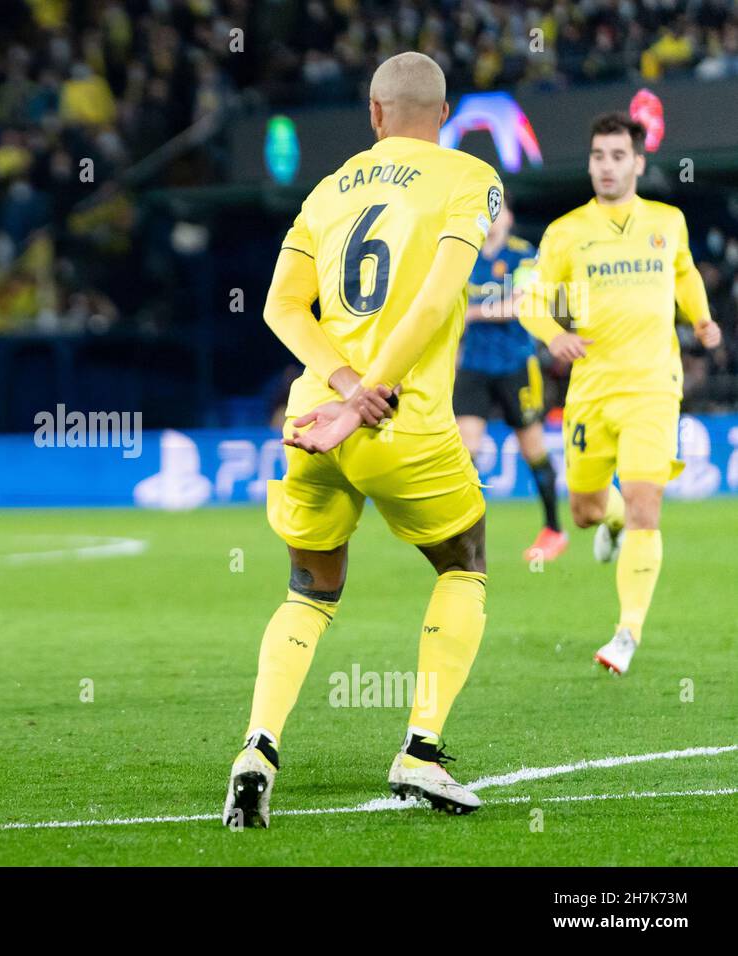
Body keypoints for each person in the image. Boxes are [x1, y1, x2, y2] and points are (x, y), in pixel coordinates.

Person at [224, 51, 500, 828]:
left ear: (374, 115)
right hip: (396, 416)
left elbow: (281, 308)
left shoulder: (326, 190)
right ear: (442, 116)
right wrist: (369, 393)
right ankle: (420, 747)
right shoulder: (468, 179)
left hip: (310, 421)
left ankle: (258, 748)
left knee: (308, 592)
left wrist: (341, 389)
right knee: (465, 559)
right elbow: (437, 299)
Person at [520, 113, 722, 675]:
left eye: (616, 156)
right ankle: (604, 522)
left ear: (637, 162)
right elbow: (532, 301)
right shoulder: (565, 233)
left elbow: (683, 274)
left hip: (655, 385)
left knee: (644, 504)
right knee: (584, 510)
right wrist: (555, 335)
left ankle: (626, 633)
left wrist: (701, 320)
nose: (605, 166)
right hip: (591, 392)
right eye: (597, 156)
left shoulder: (667, 221)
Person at [454, 196, 566, 561]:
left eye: (497, 210)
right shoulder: (464, 256)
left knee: (532, 448)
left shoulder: (523, 255)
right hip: (473, 365)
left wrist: (471, 313)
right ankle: (466, 534)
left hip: (516, 365)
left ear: (510, 217)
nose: (490, 217)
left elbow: (520, 304)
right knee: (464, 450)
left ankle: (553, 528)